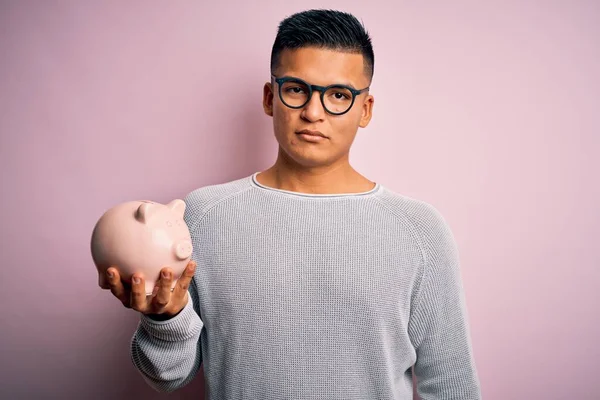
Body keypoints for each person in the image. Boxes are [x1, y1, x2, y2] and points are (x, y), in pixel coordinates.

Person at [103, 8, 482, 399]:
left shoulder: (419, 231)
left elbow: (452, 384)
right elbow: (168, 376)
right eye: (297, 89)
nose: (313, 113)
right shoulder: (203, 216)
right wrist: (163, 317)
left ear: (365, 109)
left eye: (338, 95)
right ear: (270, 98)